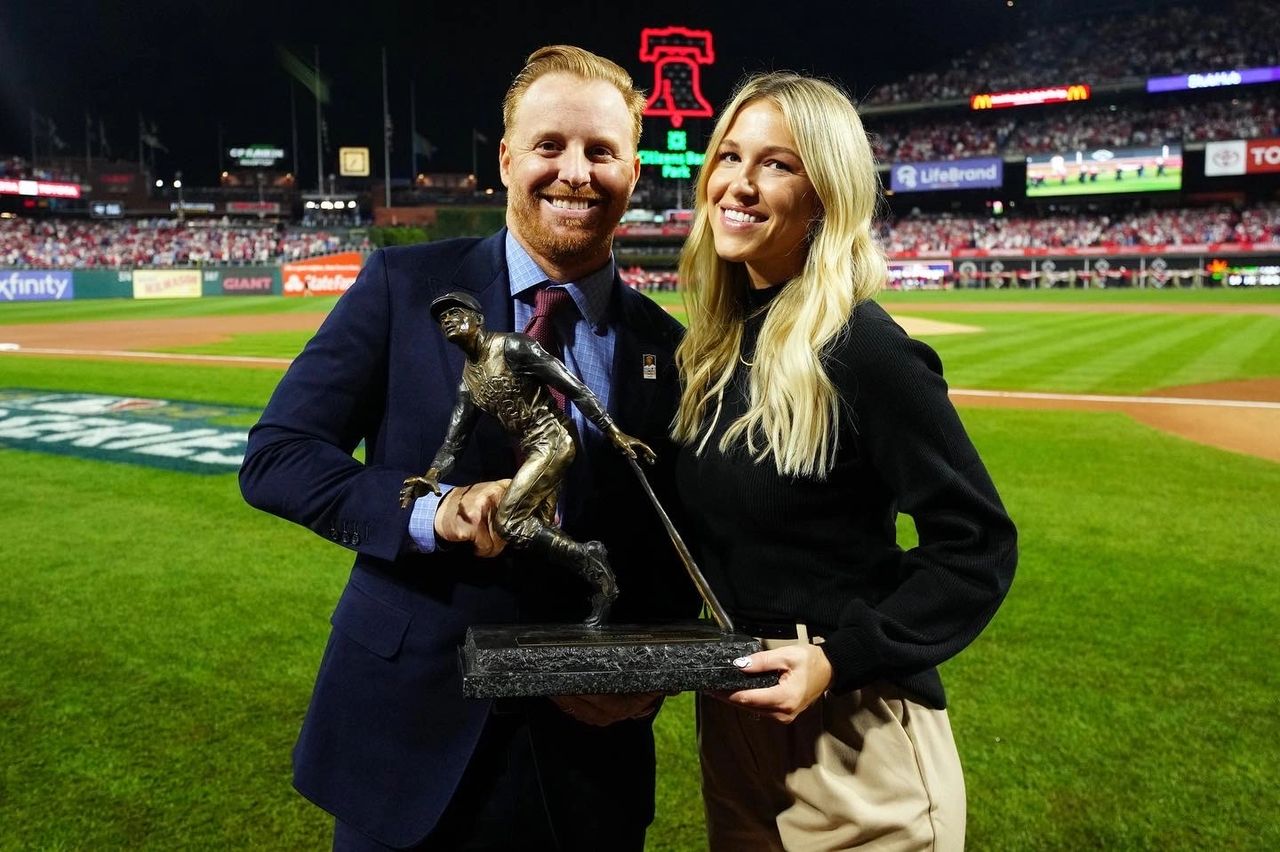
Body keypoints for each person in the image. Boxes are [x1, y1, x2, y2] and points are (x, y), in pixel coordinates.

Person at [240, 45, 695, 851]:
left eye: (601, 151)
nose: (575, 172)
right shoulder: (402, 287)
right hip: (406, 738)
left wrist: (651, 677)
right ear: (507, 157)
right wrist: (434, 511)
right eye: (550, 145)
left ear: (634, 167)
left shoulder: (673, 347)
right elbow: (278, 455)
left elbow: (677, 542)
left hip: (587, 762)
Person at [672, 72, 1018, 851]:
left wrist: (840, 659)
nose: (740, 184)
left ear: (825, 194)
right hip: (735, 726)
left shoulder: (865, 349)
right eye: (729, 156)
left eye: (778, 165)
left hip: (855, 739)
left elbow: (978, 547)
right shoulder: (715, 349)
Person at [400, 290, 658, 627]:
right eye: (443, 318)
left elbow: (573, 386)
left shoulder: (513, 347)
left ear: (478, 320)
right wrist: (432, 474)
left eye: (456, 313)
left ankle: (594, 563)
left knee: (509, 521)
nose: (449, 320)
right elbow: (454, 440)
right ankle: (586, 587)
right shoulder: (470, 379)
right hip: (532, 450)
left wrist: (613, 432)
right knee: (532, 534)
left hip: (552, 441)